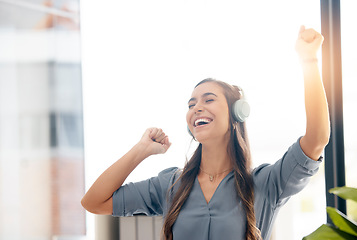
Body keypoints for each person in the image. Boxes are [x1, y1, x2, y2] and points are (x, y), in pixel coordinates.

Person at [81, 26, 330, 240]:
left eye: (208, 100)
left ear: (236, 115)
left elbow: (317, 139)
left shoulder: (265, 183)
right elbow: (93, 202)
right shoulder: (171, 185)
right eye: (191, 105)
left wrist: (309, 60)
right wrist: (141, 150)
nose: (197, 107)